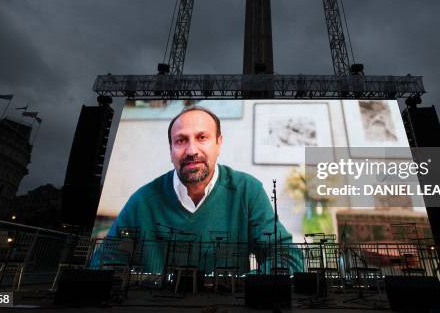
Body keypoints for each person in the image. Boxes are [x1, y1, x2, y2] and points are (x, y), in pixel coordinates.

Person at [90, 106, 302, 274]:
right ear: (171, 151)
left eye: (202, 138)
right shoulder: (143, 200)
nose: (191, 151)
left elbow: (287, 256)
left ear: (219, 143)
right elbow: (104, 264)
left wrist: (248, 286)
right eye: (180, 141)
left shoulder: (247, 191)